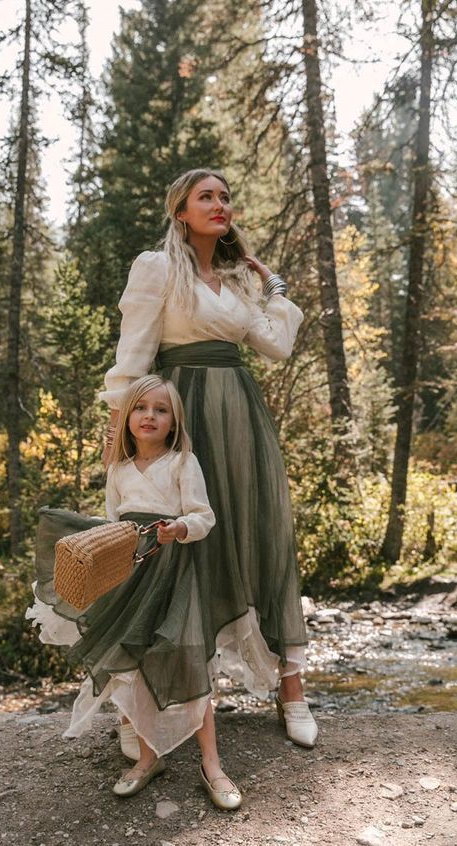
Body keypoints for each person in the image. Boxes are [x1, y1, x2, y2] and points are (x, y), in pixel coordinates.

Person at [100, 168, 318, 750]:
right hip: (182, 416)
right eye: (207, 197)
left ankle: (291, 688)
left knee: (262, 535)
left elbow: (274, 344)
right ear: (181, 211)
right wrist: (123, 430)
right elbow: (135, 355)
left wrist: (274, 288)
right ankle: (143, 709)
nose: (220, 204)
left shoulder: (236, 278)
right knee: (166, 550)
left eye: (225, 196)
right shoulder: (156, 267)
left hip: (241, 417)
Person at [27, 374, 243, 810]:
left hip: (174, 573)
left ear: (173, 421)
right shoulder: (120, 471)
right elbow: (111, 522)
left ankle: (212, 765)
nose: (150, 416)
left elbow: (204, 516)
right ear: (127, 418)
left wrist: (180, 527)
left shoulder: (183, 462)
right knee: (130, 663)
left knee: (189, 661)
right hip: (129, 574)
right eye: (142, 408)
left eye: (161, 410)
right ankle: (148, 758)